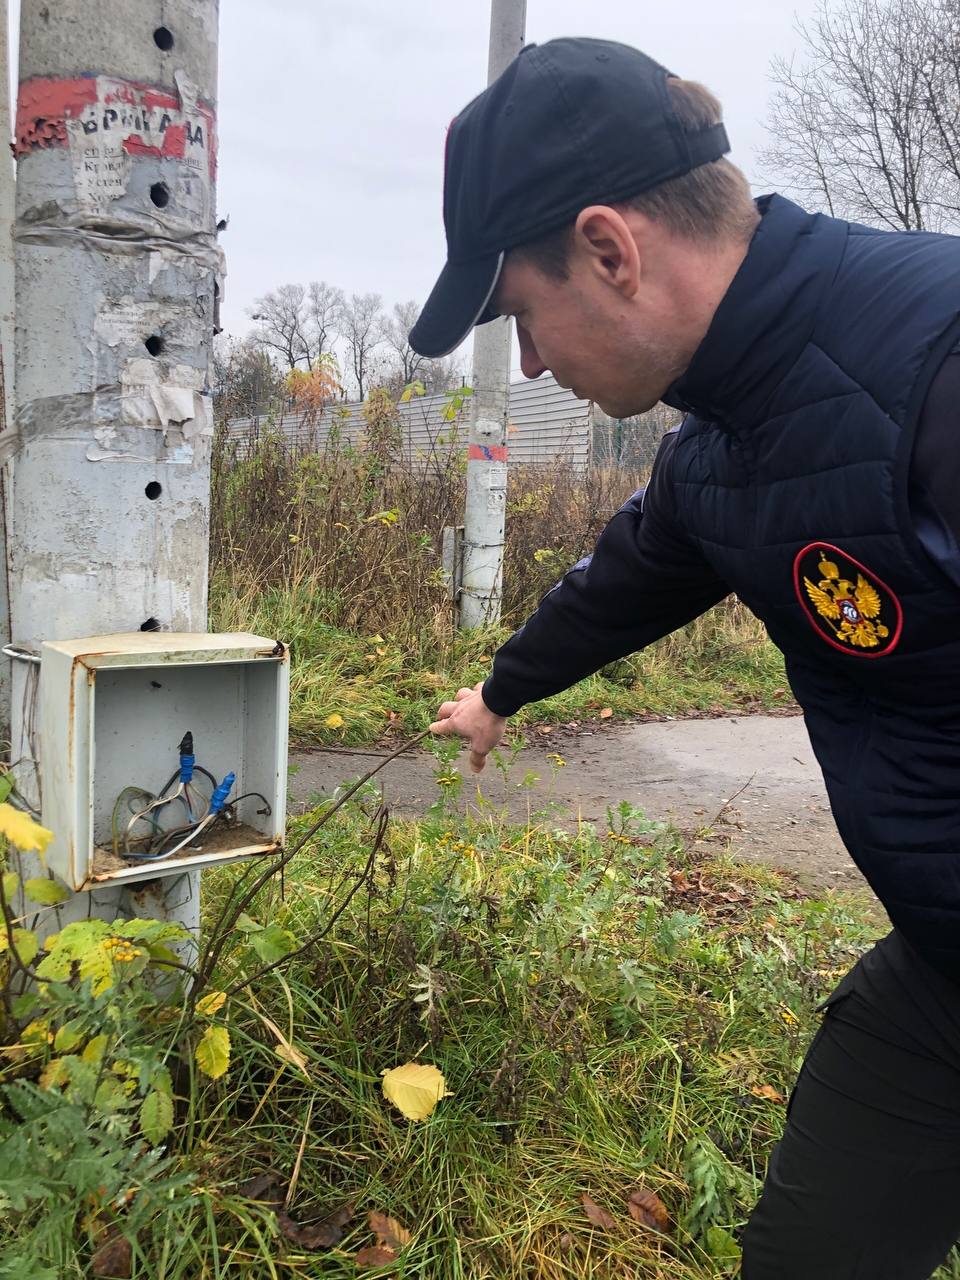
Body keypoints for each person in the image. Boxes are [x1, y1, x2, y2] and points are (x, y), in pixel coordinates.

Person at [407, 35, 960, 1280]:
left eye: (523, 322)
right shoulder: (721, 441)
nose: (534, 362)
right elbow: (629, 578)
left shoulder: (933, 358)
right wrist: (499, 691)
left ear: (610, 249)